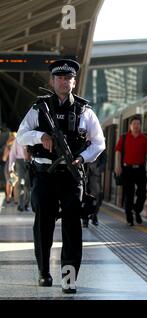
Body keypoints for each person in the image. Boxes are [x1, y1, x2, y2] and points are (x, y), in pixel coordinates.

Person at [16, 58, 105, 294]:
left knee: (72, 228)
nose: (64, 82)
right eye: (60, 78)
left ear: (74, 82)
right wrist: (40, 136)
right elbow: (21, 136)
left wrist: (82, 158)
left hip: (71, 175)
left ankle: (68, 278)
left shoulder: (85, 111)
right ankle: (44, 272)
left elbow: (99, 143)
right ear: (52, 81)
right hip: (45, 175)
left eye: (69, 78)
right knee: (43, 226)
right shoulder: (39, 108)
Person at [114, 116, 147, 226]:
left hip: (140, 169)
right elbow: (118, 152)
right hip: (127, 170)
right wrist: (118, 165)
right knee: (129, 194)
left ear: (140, 126)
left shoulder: (144, 138)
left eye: (138, 124)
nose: (136, 126)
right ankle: (129, 218)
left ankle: (136, 210)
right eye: (134, 124)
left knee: (142, 194)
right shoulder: (124, 137)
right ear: (130, 125)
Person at [82, 151, 107, 227]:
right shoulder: (84, 142)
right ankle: (85, 219)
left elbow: (104, 161)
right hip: (84, 175)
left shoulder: (100, 144)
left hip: (95, 176)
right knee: (85, 198)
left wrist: (98, 170)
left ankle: (94, 215)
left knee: (98, 197)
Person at [8, 138, 31, 211]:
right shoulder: (17, 140)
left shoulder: (30, 138)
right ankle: (20, 205)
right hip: (20, 162)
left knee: (28, 184)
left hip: (29, 162)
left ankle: (26, 204)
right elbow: (12, 153)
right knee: (21, 183)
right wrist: (10, 167)